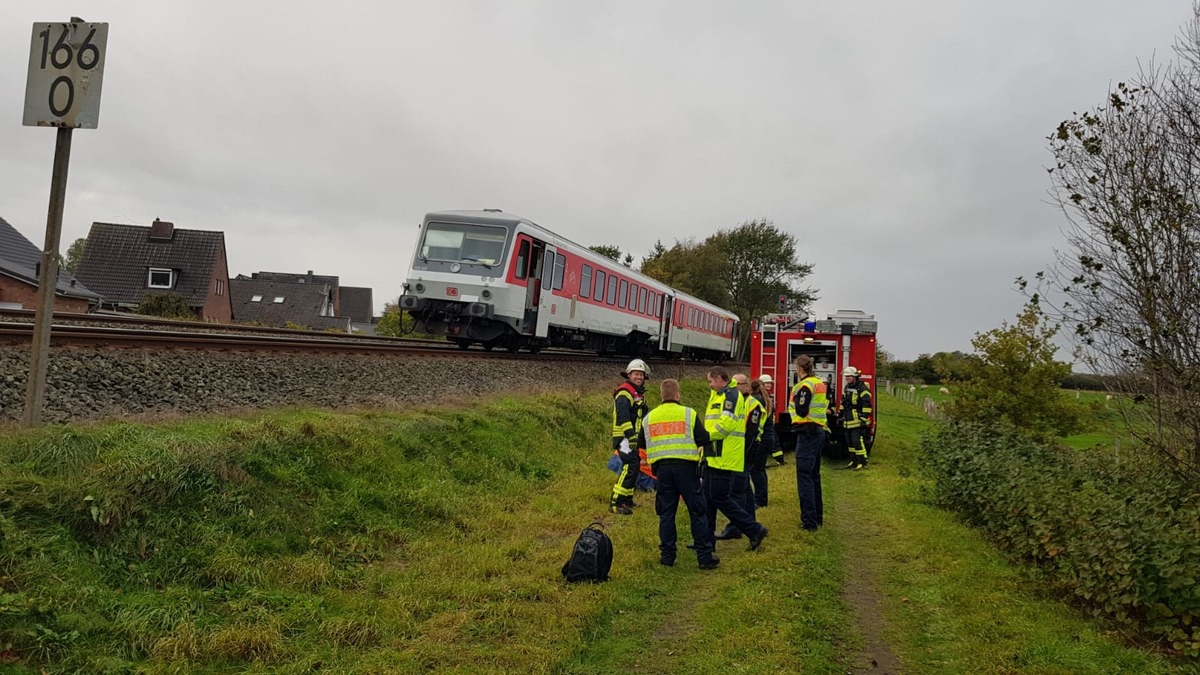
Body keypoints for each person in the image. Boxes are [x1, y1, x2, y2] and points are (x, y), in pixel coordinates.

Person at [637, 378, 719, 569]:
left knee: (666, 513)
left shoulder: (650, 417)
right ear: (678, 394)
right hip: (686, 470)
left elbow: (642, 443)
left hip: (662, 471)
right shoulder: (688, 414)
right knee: (697, 511)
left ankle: (667, 557)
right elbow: (703, 438)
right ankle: (704, 557)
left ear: (661, 395)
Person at [703, 367, 768, 550]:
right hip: (714, 454)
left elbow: (726, 425)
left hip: (725, 455)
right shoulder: (718, 394)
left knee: (720, 498)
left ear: (718, 379)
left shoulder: (730, 395)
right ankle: (706, 541)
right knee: (708, 498)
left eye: (710, 381)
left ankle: (754, 529)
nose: (709, 385)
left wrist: (706, 436)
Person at [714, 374, 764, 539]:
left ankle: (736, 527)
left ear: (747, 386)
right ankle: (748, 523)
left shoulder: (753, 404)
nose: (734, 387)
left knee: (737, 490)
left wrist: (743, 452)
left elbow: (751, 432)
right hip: (738, 449)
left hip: (748, 449)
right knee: (745, 489)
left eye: (738, 384)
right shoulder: (738, 401)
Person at [789, 355, 828, 531]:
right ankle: (817, 517)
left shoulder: (804, 386)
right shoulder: (818, 382)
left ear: (799, 369)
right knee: (813, 476)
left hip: (807, 431)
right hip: (818, 431)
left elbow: (802, 410)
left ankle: (809, 522)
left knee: (804, 477)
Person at [609, 359, 650, 515]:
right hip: (624, 438)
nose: (639, 377)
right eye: (636, 374)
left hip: (632, 438)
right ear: (629, 374)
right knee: (630, 467)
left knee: (635, 467)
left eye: (641, 375)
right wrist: (630, 436)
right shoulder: (624, 392)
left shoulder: (637, 394)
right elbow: (623, 416)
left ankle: (626, 500)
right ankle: (616, 502)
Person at [748, 378, 775, 507]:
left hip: (762, 438)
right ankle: (761, 498)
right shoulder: (766, 398)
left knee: (756, 470)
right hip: (768, 437)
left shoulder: (756, 400)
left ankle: (760, 500)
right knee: (760, 469)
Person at [840, 366, 873, 470]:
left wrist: (864, 418)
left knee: (857, 442)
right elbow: (843, 401)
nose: (847, 378)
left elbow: (867, 404)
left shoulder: (862, 388)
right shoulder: (847, 387)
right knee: (850, 442)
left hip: (857, 419)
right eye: (846, 377)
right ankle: (853, 461)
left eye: (849, 376)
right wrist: (841, 415)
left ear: (855, 376)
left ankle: (862, 462)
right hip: (848, 418)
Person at [758, 373, 786, 466]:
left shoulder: (767, 395)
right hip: (765, 424)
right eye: (767, 383)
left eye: (770, 383)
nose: (769, 385)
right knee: (772, 442)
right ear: (761, 384)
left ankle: (780, 460)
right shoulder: (761, 397)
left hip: (769, 423)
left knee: (773, 441)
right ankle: (779, 460)